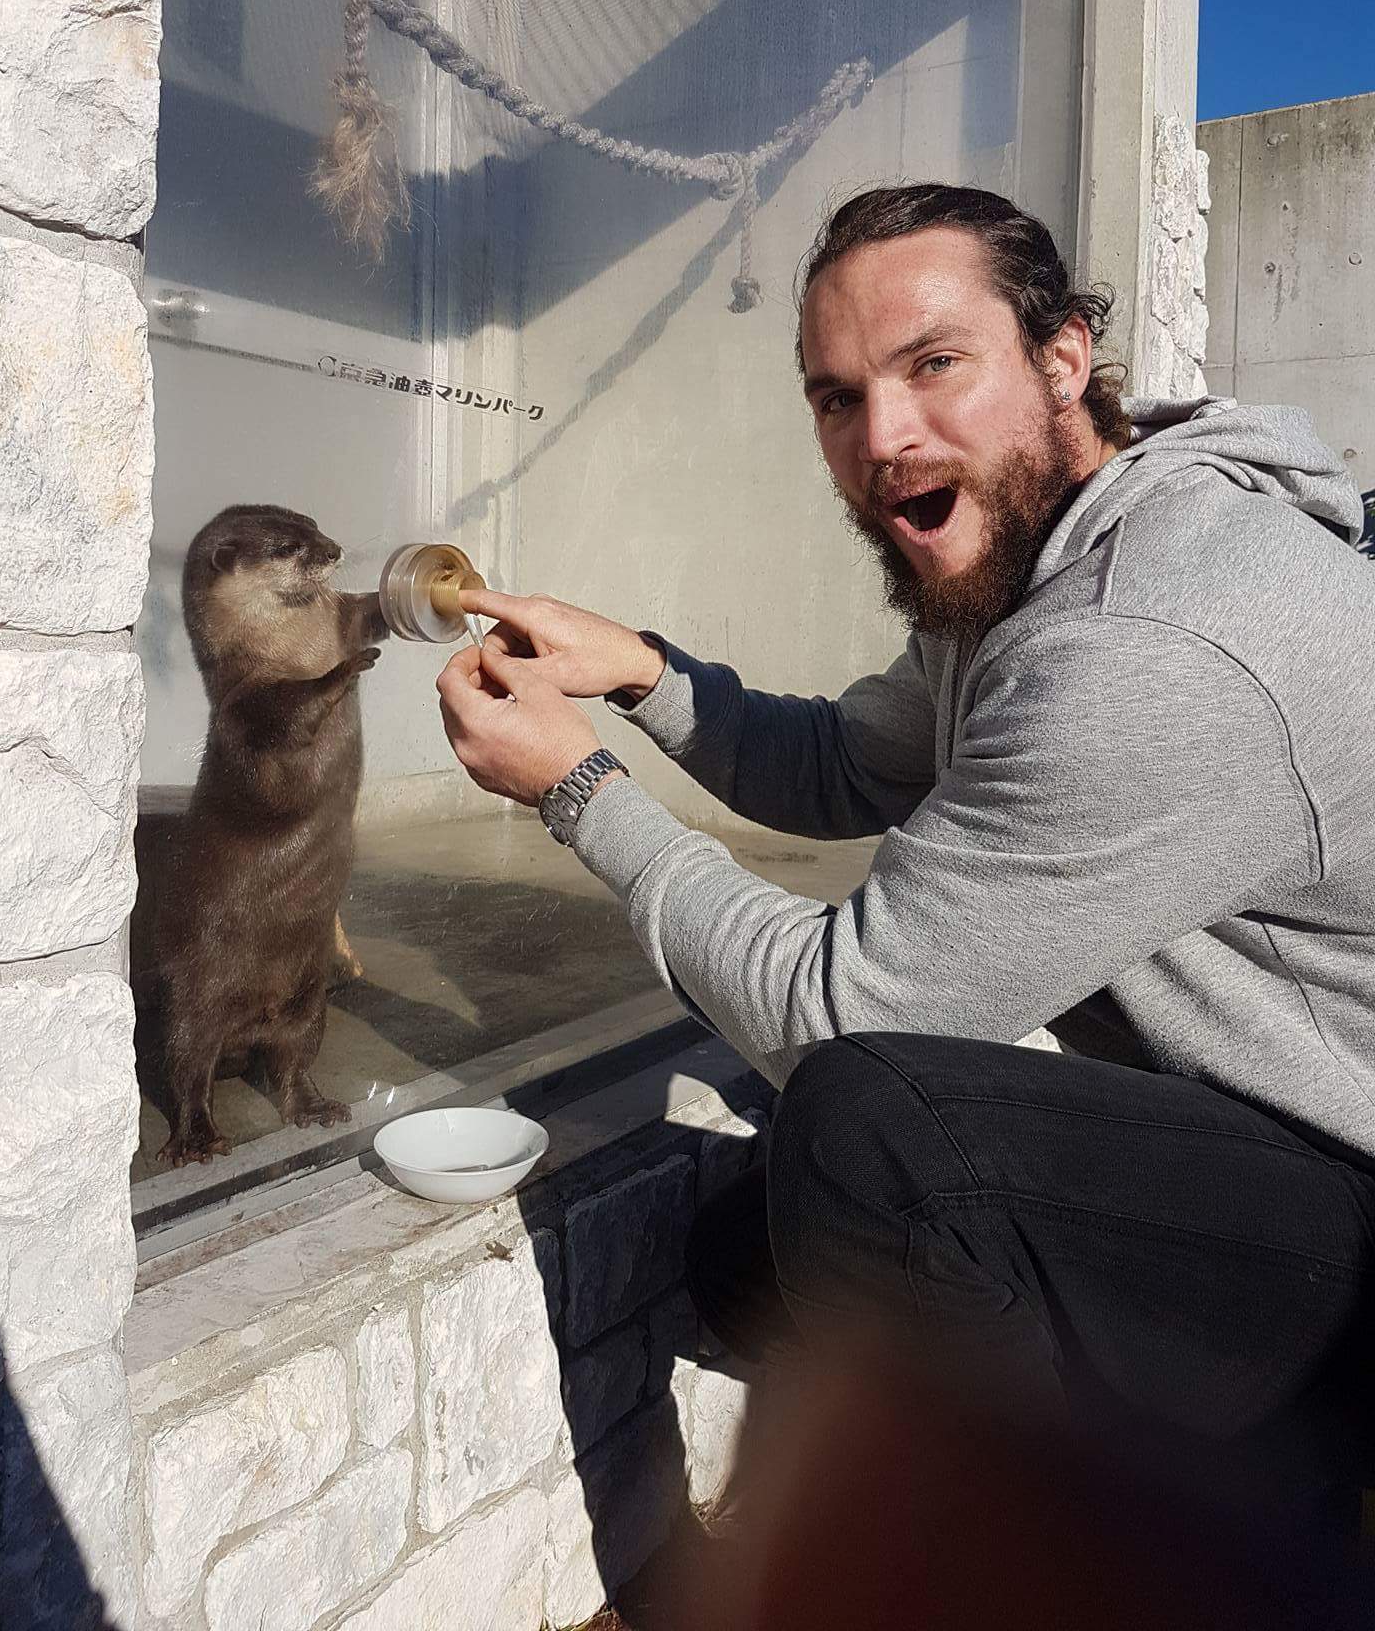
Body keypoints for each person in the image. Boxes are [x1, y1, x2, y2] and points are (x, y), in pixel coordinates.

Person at [436, 184, 1375, 1516]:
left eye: (935, 364)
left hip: (1357, 1210)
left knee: (871, 1142)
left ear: (1062, 360)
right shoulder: (1032, 557)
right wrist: (642, 673)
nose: (884, 437)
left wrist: (576, 788)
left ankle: (1112, 1570)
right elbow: (841, 765)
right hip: (1269, 1134)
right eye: (837, 396)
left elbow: (838, 1020)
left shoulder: (1153, 641)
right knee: (746, 1262)